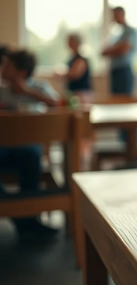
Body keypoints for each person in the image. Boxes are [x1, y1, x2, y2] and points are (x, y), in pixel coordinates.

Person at [0, 48, 60, 240]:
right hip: (3, 149)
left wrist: (27, 91)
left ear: (22, 72)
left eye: (8, 65)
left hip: (29, 151)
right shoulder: (2, 93)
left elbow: (57, 104)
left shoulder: (40, 88)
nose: (2, 68)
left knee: (32, 155)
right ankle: (20, 215)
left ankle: (27, 218)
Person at [102, 7, 137, 96]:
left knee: (125, 101)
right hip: (114, 72)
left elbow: (123, 50)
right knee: (115, 101)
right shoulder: (115, 34)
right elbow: (103, 52)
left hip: (124, 72)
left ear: (122, 14)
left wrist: (113, 50)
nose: (113, 18)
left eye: (115, 15)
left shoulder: (130, 31)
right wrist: (116, 49)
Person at [64, 33, 92, 102]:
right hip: (73, 92)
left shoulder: (81, 59)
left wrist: (62, 74)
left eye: (71, 42)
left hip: (81, 93)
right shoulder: (71, 59)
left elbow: (75, 74)